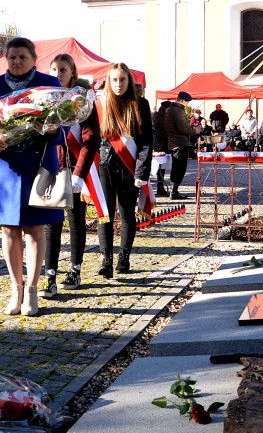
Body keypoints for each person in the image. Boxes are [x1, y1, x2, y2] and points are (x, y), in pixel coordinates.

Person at [0, 37, 63, 316]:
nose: (17, 62)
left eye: (22, 57)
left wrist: (49, 129)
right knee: (9, 229)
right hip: (5, 167)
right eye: (12, 57)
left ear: (34, 59)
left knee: (36, 228)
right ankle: (16, 289)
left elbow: (61, 125)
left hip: (38, 164)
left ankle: (33, 290)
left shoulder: (50, 84)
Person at [91, 63, 151, 278]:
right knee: (105, 215)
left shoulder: (140, 104)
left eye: (122, 80)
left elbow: (145, 142)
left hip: (130, 166)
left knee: (126, 215)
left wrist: (141, 172)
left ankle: (123, 258)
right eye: (114, 80)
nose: (118, 84)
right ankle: (106, 259)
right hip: (106, 166)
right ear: (109, 81)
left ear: (129, 81)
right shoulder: (101, 104)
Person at [41, 54, 92, 297]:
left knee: (75, 221)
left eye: (62, 70)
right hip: (51, 166)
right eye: (53, 70)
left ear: (73, 72)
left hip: (74, 168)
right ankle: (49, 276)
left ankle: (75, 269)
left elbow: (91, 140)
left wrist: (80, 174)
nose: (57, 74)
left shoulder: (83, 101)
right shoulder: (44, 99)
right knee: (51, 223)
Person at [165, 92, 193, 200]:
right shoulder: (178, 111)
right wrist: (196, 130)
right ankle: (174, 192)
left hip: (174, 143)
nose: (187, 104)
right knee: (180, 168)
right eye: (187, 102)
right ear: (182, 100)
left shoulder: (170, 110)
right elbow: (183, 129)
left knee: (176, 168)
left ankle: (174, 191)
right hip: (180, 143)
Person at [152, 101, 170, 197]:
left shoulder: (157, 116)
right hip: (160, 144)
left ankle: (160, 187)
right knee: (160, 167)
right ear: (165, 108)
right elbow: (164, 132)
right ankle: (160, 187)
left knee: (161, 167)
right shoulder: (161, 118)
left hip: (158, 143)